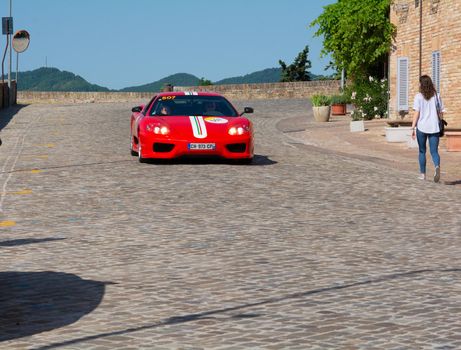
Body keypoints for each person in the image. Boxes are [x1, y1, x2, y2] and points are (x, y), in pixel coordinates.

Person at [411, 75, 444, 182]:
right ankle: (437, 166)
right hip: (434, 127)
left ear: (421, 84)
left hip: (421, 127)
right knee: (434, 151)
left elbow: (417, 113)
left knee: (422, 151)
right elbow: (441, 112)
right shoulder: (437, 96)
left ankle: (423, 174)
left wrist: (412, 127)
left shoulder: (418, 97)